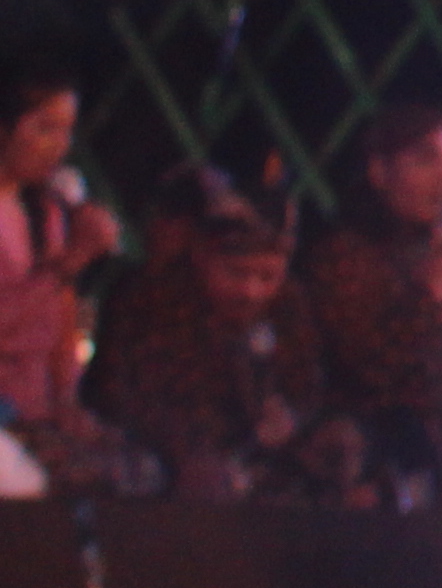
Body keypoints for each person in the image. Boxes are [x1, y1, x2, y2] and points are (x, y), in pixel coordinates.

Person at [88, 169, 344, 501]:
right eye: (236, 273)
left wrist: (292, 417)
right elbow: (125, 396)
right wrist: (188, 454)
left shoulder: (288, 304)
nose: (251, 291)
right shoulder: (154, 297)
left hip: (257, 467)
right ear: (201, 255)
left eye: (267, 277)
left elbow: (306, 381)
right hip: (164, 469)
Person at [296, 101, 442, 505]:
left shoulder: (437, 255)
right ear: (380, 172)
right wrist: (431, 298)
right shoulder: (343, 257)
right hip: (361, 453)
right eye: (425, 161)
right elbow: (375, 372)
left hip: (436, 444)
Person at [0, 69, 121, 493]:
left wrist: (68, 400)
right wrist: (73, 260)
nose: (60, 146)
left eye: (66, 131)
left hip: (39, 410)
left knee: (138, 471)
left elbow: (60, 317)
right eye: (44, 128)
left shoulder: (46, 211)